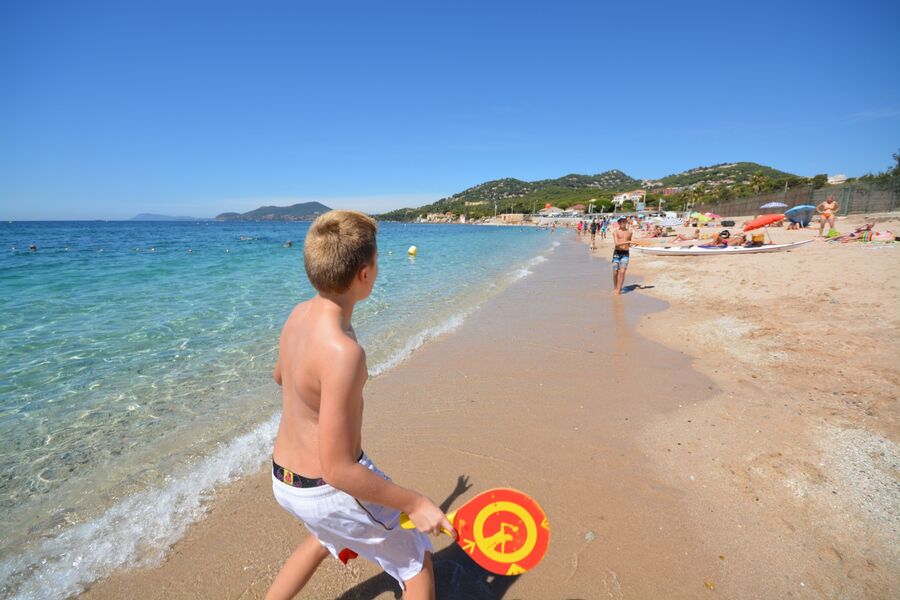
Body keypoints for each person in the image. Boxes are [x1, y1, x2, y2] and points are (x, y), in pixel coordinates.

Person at [267, 210, 452, 600]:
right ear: (365, 276)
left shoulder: (298, 315)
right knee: (416, 561)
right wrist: (415, 502)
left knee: (321, 538)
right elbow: (338, 470)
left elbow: (280, 376)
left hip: (285, 479)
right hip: (326, 489)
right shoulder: (344, 353)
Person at [612, 217, 635, 295]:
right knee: (615, 272)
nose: (622, 223)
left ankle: (619, 290)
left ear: (626, 222)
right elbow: (616, 244)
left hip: (625, 253)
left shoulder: (630, 232)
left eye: (624, 221)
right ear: (618, 223)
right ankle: (615, 287)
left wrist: (631, 244)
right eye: (620, 221)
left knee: (622, 271)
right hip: (617, 253)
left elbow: (629, 243)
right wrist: (628, 241)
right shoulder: (615, 232)